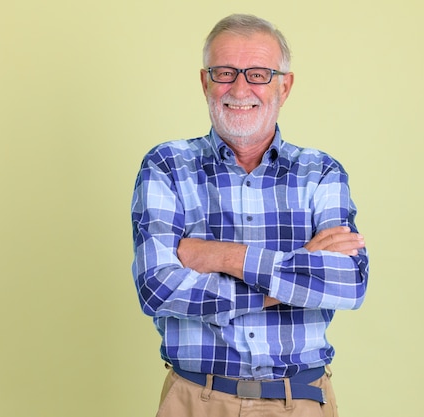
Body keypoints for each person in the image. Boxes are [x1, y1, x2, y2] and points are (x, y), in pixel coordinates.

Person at [131, 13, 369, 417]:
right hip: (195, 400)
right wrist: (295, 277)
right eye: (225, 72)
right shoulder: (167, 165)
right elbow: (158, 288)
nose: (240, 88)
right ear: (205, 81)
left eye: (258, 74)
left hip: (303, 400)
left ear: (284, 85)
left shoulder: (321, 172)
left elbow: (348, 283)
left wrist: (221, 257)